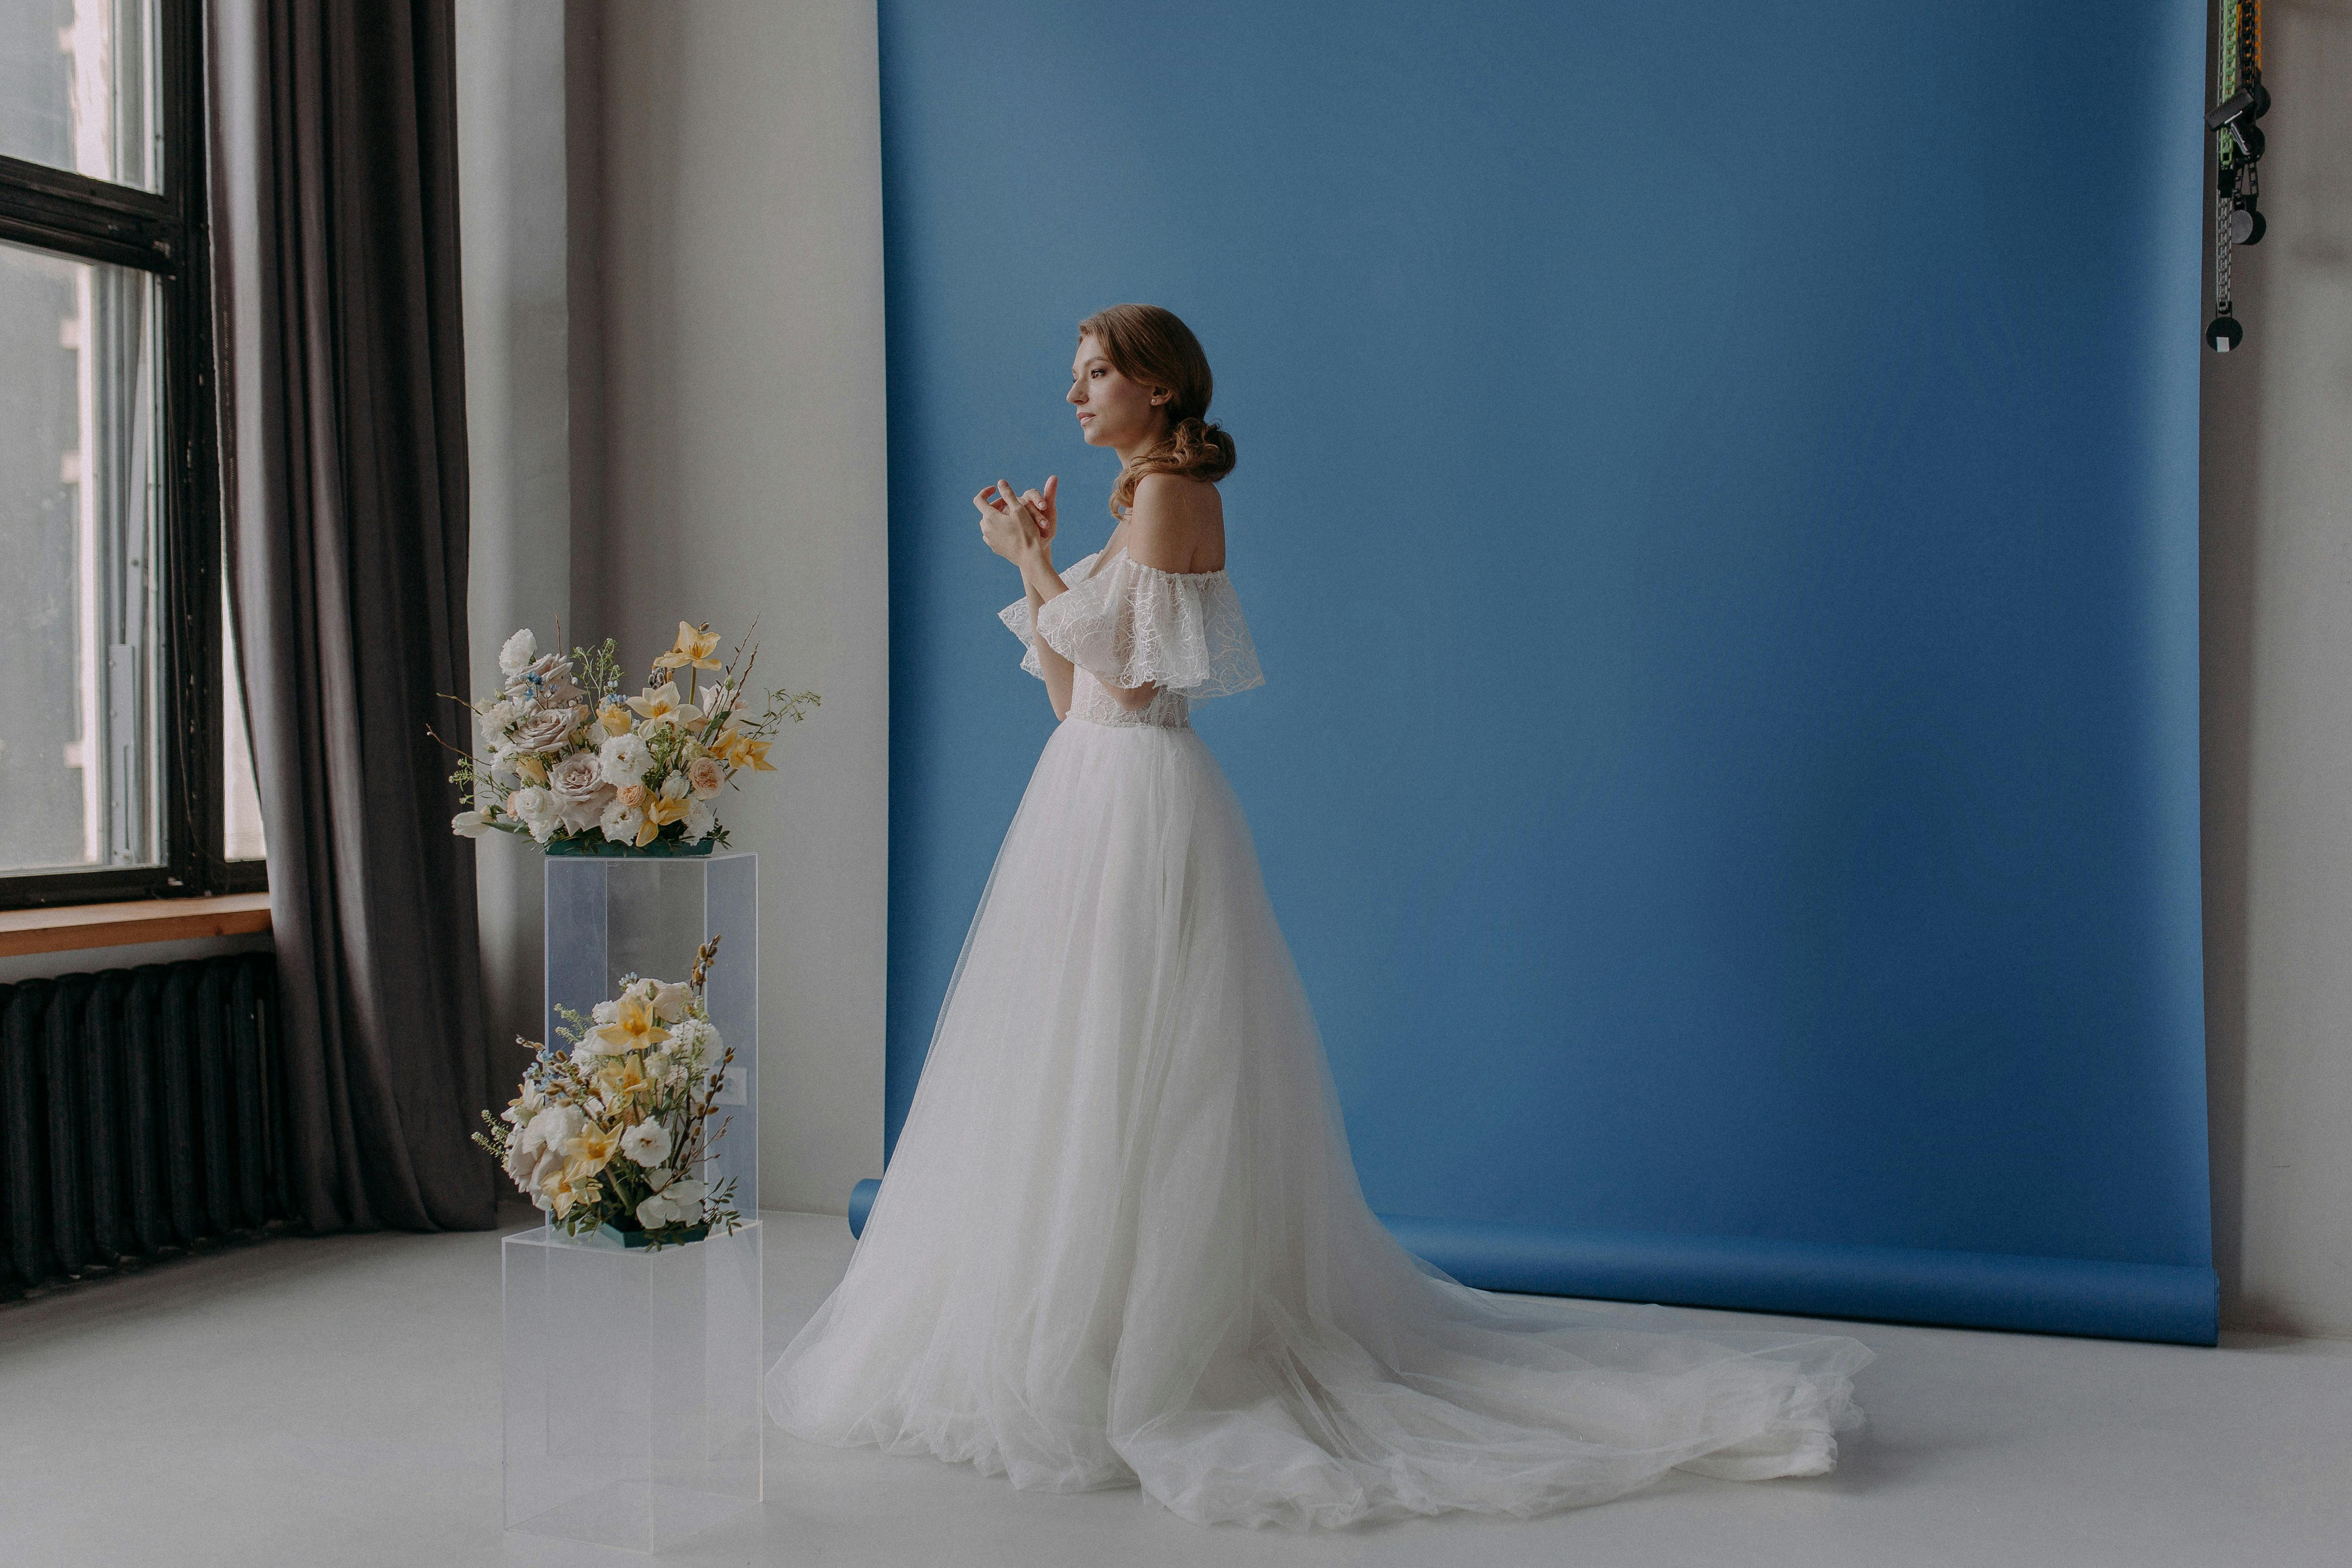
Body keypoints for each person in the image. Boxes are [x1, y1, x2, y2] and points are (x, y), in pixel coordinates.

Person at [765, 303, 1872, 1530]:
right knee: (1077, 1059)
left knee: (1145, 1063)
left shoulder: (1176, 493)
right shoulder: (1135, 502)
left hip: (1140, 804)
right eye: (1072, 377)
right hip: (1086, 793)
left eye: (1095, 375)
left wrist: (1024, 560)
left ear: (1159, 389)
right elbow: (1076, 697)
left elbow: (1134, 684)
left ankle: (1154, 1338)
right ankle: (1073, 1324)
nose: (1073, 395)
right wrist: (1038, 558)